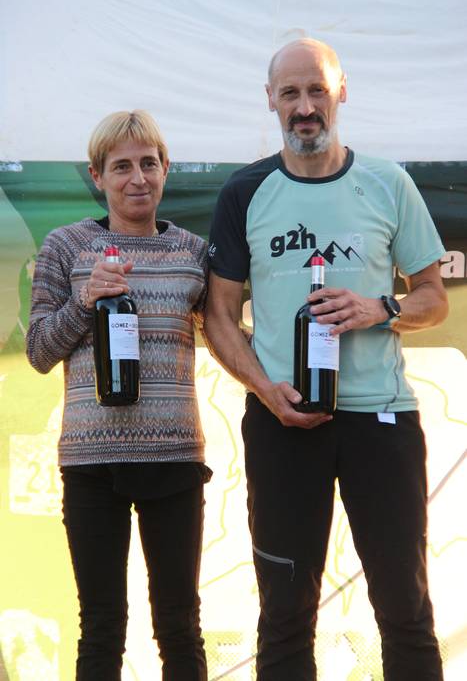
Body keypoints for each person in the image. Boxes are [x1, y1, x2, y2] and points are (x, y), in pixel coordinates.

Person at [204, 38, 448, 680]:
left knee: (405, 610)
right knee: (284, 619)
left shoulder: (388, 183)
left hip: (382, 421)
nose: (305, 107)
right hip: (283, 423)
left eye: (317, 90)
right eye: (291, 93)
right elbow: (219, 316)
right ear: (271, 100)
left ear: (342, 91)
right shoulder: (245, 191)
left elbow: (433, 297)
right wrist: (265, 390)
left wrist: (380, 308)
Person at [27, 110, 210, 681]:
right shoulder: (66, 246)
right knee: (102, 626)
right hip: (91, 463)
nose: (137, 178)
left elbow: (227, 336)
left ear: (166, 169)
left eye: (148, 164)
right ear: (97, 176)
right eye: (121, 166)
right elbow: (38, 351)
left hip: (174, 458)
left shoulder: (194, 251)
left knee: (179, 624)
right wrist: (86, 301)